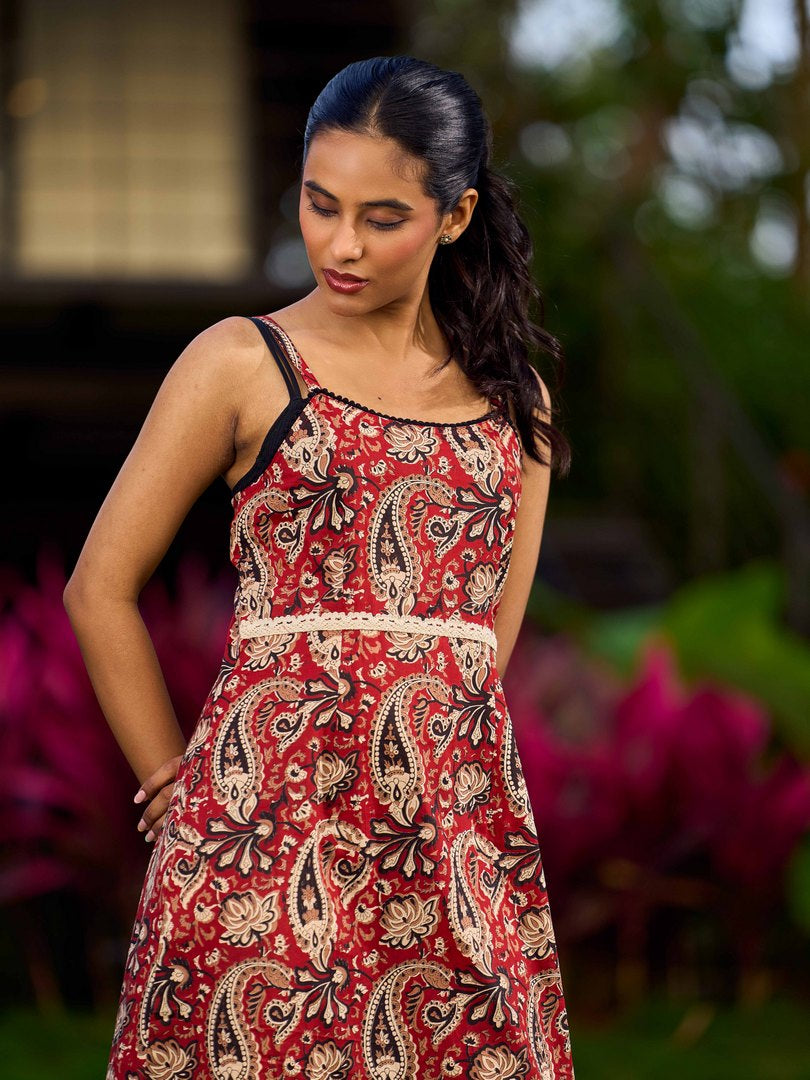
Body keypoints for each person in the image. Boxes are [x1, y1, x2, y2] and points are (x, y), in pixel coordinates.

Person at [64, 54, 575, 1080]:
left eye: (382, 217)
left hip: (451, 845)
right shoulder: (241, 363)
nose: (341, 244)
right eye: (319, 203)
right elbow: (99, 586)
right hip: (257, 840)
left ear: (457, 215)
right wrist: (175, 781)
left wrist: (439, 784)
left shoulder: (517, 403)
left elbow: (482, 648)